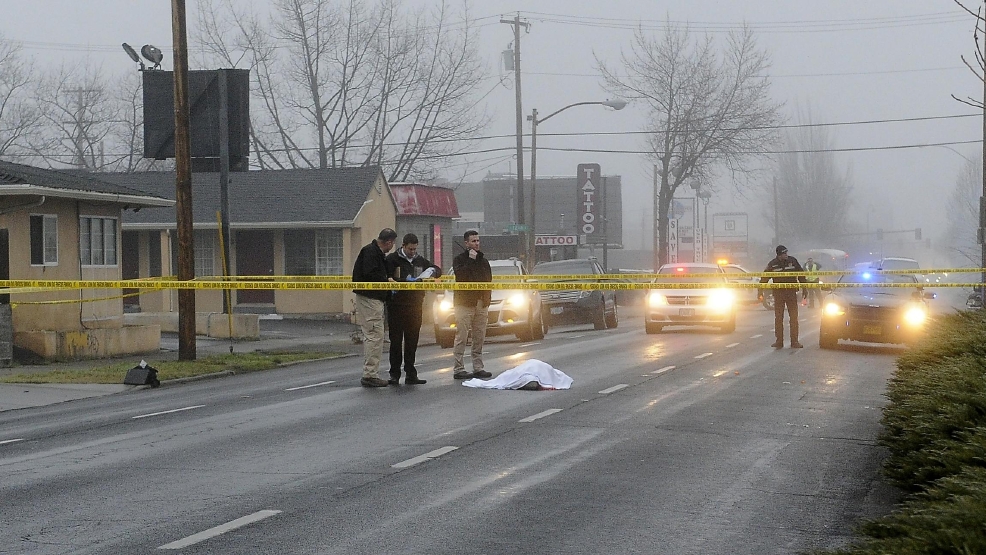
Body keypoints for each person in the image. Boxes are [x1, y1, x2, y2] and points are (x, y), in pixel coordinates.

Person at [385, 233, 442, 385]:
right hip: (396, 306)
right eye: (410, 249)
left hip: (415, 305)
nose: (412, 252)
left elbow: (436, 269)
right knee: (396, 341)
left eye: (415, 249)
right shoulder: (392, 260)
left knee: (412, 340)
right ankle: (394, 374)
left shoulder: (419, 260)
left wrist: (432, 272)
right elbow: (386, 277)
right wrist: (403, 282)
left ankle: (411, 373)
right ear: (403, 246)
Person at [352, 228, 398, 387]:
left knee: (376, 335)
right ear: (389, 242)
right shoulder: (371, 253)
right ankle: (370, 374)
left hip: (374, 298)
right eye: (392, 244)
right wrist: (386, 280)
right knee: (374, 335)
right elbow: (370, 274)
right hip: (370, 298)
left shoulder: (374, 253)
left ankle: (371, 372)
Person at [451, 230, 493, 380]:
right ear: (466, 243)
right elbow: (461, 277)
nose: (476, 243)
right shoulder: (459, 260)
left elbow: (488, 281)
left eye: (478, 241)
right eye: (473, 241)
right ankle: (458, 368)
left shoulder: (483, 261)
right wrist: (470, 260)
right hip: (464, 303)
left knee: (479, 336)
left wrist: (487, 300)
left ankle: (478, 367)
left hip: (481, 303)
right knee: (462, 336)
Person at [758, 245, 807, 349]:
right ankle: (779, 341)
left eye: (786, 253)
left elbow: (801, 275)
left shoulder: (793, 261)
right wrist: (760, 291)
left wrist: (805, 288)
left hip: (791, 293)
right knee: (779, 318)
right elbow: (764, 278)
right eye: (784, 253)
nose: (786, 255)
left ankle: (795, 342)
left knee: (793, 318)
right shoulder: (773, 264)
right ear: (779, 254)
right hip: (779, 294)